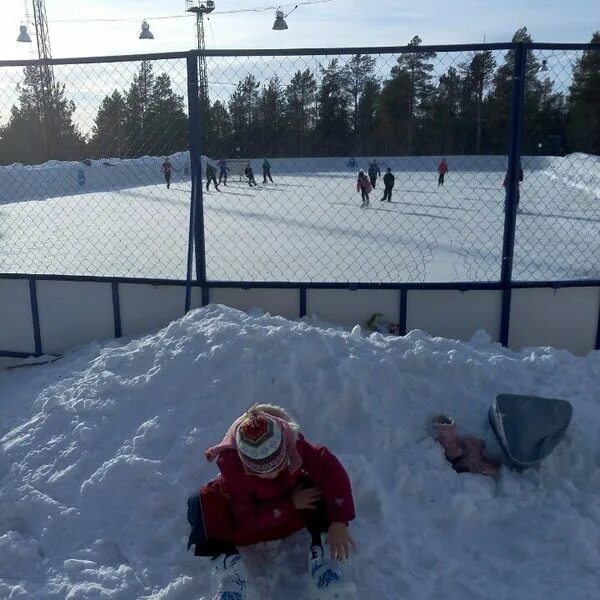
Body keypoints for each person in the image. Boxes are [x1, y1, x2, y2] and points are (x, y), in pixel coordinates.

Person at [187, 404, 356, 600]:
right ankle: (233, 577)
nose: (272, 474)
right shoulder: (233, 467)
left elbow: (330, 469)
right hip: (254, 523)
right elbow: (246, 520)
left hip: (298, 512)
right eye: (261, 472)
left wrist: (338, 521)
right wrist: (290, 504)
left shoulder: (293, 443)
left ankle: (326, 564)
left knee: (318, 483)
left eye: (278, 465)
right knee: (203, 499)